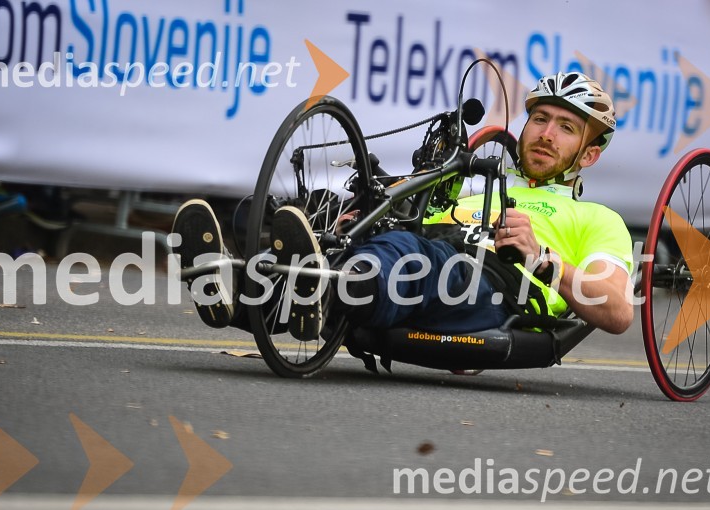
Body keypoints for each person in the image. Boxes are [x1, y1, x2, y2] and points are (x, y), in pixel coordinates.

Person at [172, 71, 634, 343]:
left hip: (496, 283)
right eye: (539, 119)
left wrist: (543, 260)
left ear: (589, 154)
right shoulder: (473, 187)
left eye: (566, 128)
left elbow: (617, 311)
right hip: (417, 250)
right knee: (311, 211)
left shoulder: (598, 220)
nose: (547, 134)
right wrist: (358, 214)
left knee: (419, 259)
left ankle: (321, 288)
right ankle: (237, 288)